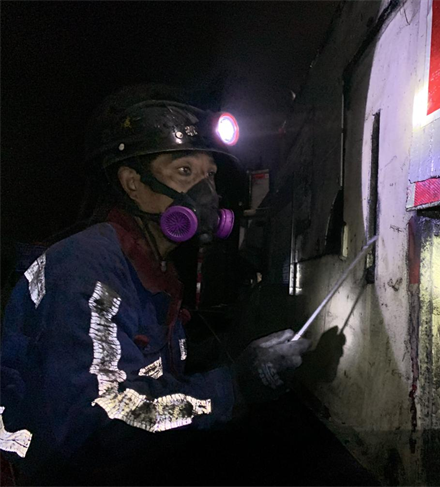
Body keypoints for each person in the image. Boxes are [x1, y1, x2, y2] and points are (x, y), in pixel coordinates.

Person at [0, 86, 310, 485]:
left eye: (210, 175)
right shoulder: (88, 268)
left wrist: (234, 347)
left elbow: (148, 369)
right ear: (133, 182)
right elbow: (103, 418)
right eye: (185, 172)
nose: (207, 194)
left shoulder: (153, 269)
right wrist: (232, 388)